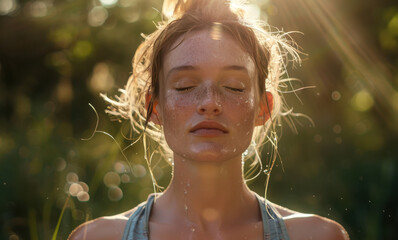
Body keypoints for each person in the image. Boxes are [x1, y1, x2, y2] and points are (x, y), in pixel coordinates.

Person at [69, 0, 349, 239]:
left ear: (263, 107)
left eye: (234, 87)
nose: (210, 103)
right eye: (185, 86)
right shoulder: (96, 237)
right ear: (154, 108)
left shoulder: (316, 236)